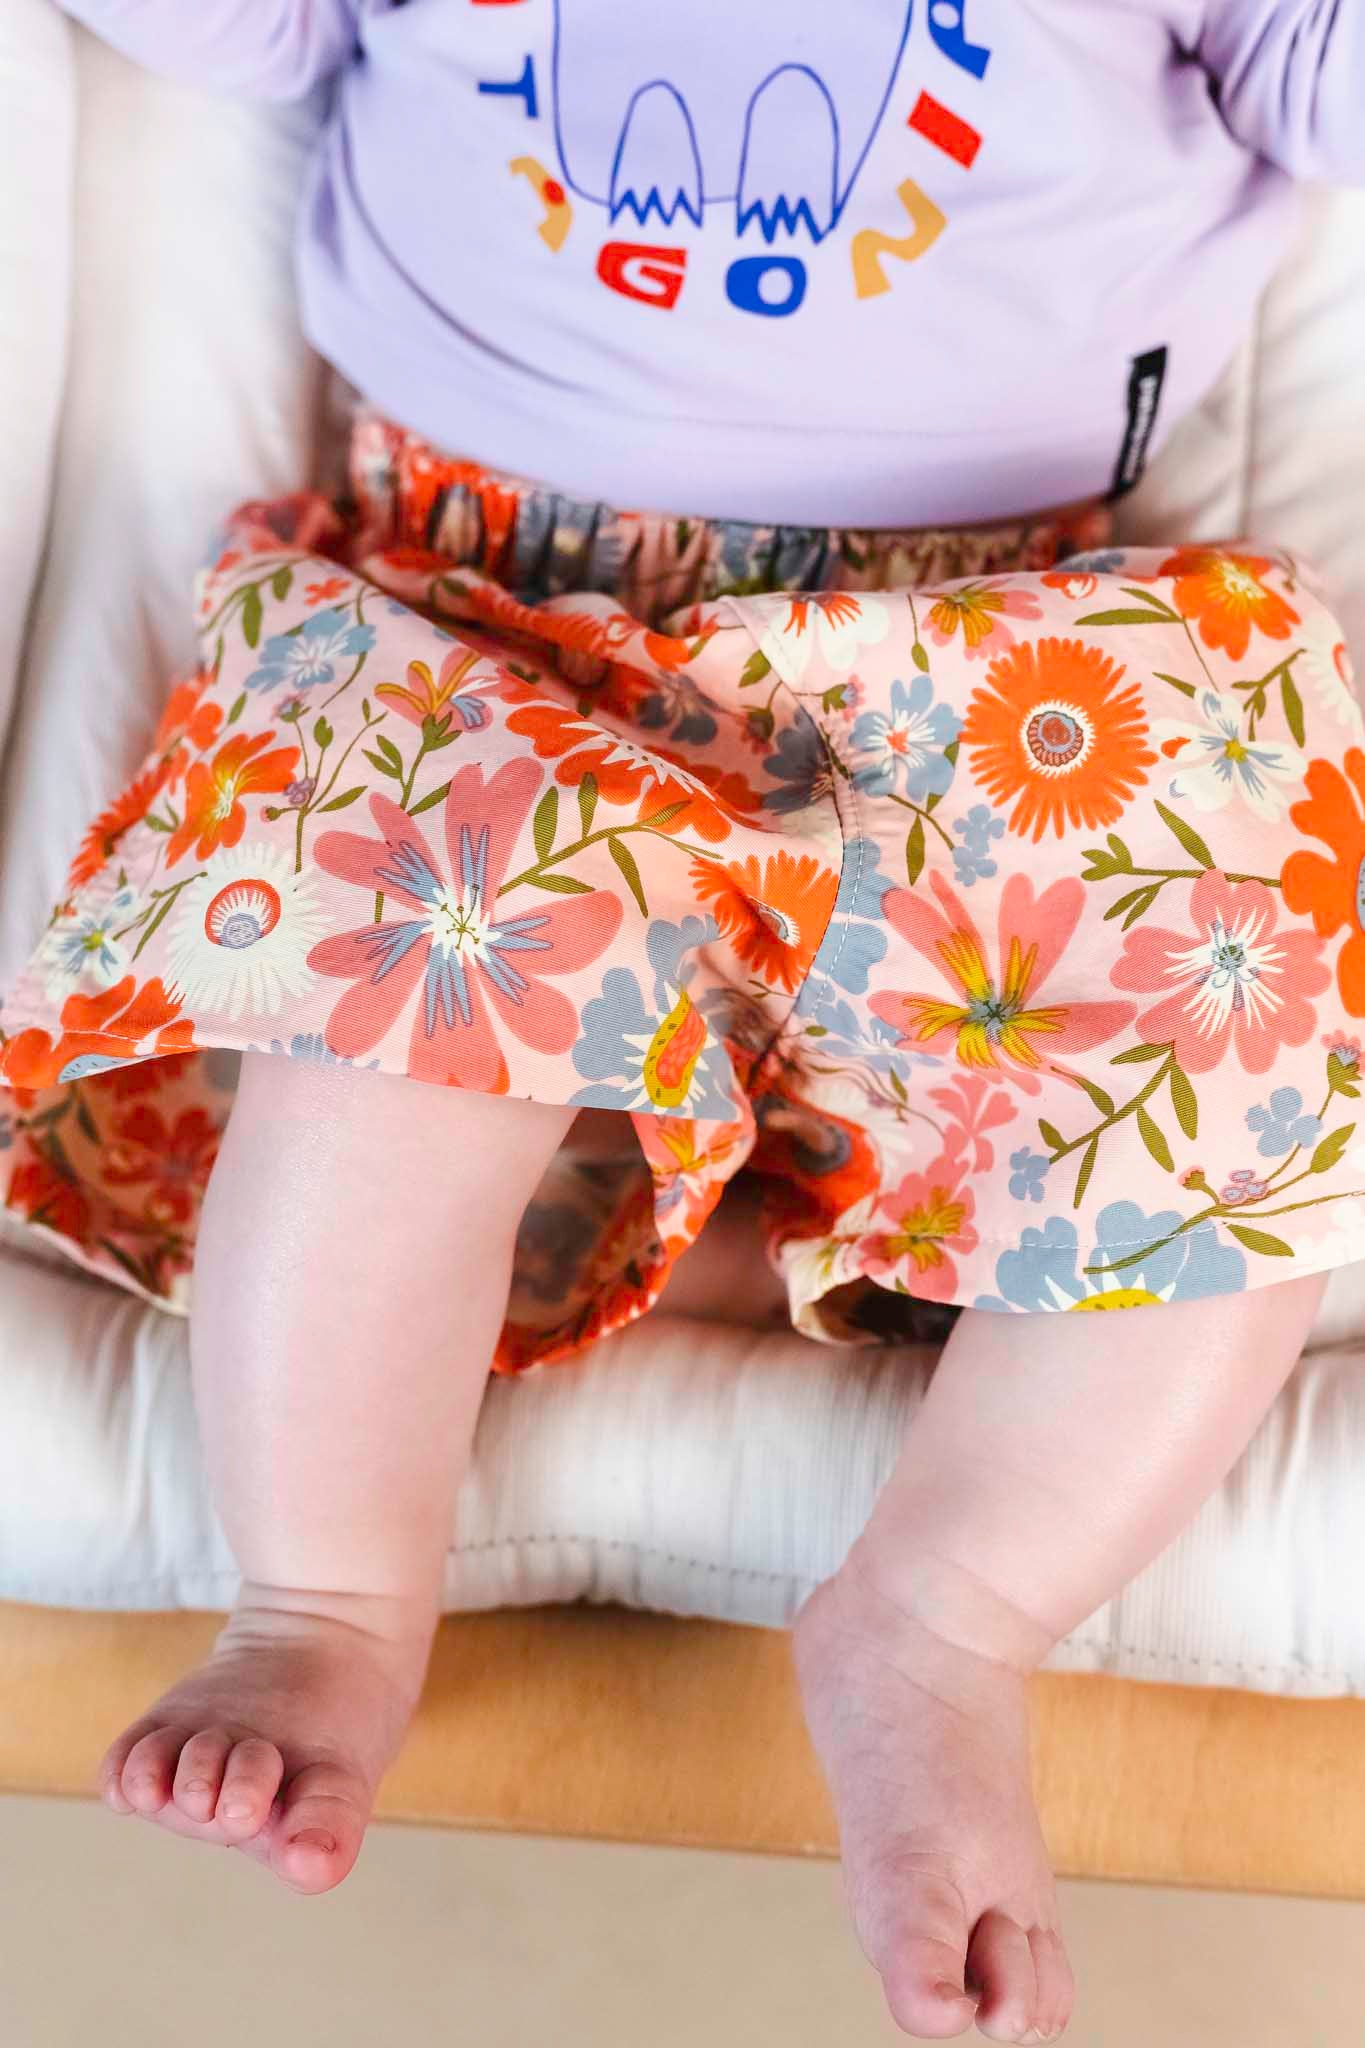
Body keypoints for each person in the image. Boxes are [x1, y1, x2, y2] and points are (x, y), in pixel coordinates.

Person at [4, 3, 1365, 2038]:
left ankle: (936, 1623)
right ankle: (327, 1595)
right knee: (422, 943)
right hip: (484, 628)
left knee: (1238, 965)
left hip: (998, 688)